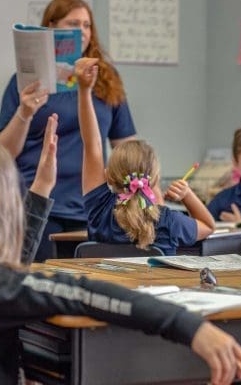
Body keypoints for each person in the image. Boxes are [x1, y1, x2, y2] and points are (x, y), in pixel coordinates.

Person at [0, 116, 241, 385]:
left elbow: (9, 269)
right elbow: (85, 294)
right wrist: (191, 327)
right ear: (6, 210)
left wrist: (42, 188)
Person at [0, 0, 137, 262]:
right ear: (51, 27)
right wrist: (24, 113)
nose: (82, 32)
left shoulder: (106, 79)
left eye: (87, 25)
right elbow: (3, 153)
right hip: (36, 205)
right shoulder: (25, 81)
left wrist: (140, 189)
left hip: (91, 207)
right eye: (74, 24)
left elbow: (125, 145)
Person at [75, 58, 215, 254]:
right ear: (155, 179)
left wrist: (84, 91)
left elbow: (92, 145)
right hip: (159, 286)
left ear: (108, 175)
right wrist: (187, 196)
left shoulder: (100, 210)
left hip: (102, 285)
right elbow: (208, 226)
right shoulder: (168, 220)